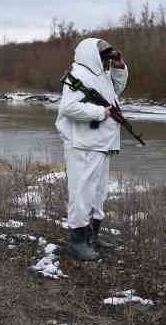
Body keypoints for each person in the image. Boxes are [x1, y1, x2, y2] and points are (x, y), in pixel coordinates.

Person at [55, 38, 128, 261]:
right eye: (104, 56)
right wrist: (100, 114)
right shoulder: (78, 75)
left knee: (98, 192)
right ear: (91, 55)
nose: (106, 60)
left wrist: (119, 68)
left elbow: (115, 91)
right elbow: (68, 108)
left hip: (100, 142)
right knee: (82, 192)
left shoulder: (100, 75)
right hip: (83, 143)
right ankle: (78, 240)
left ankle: (91, 236)